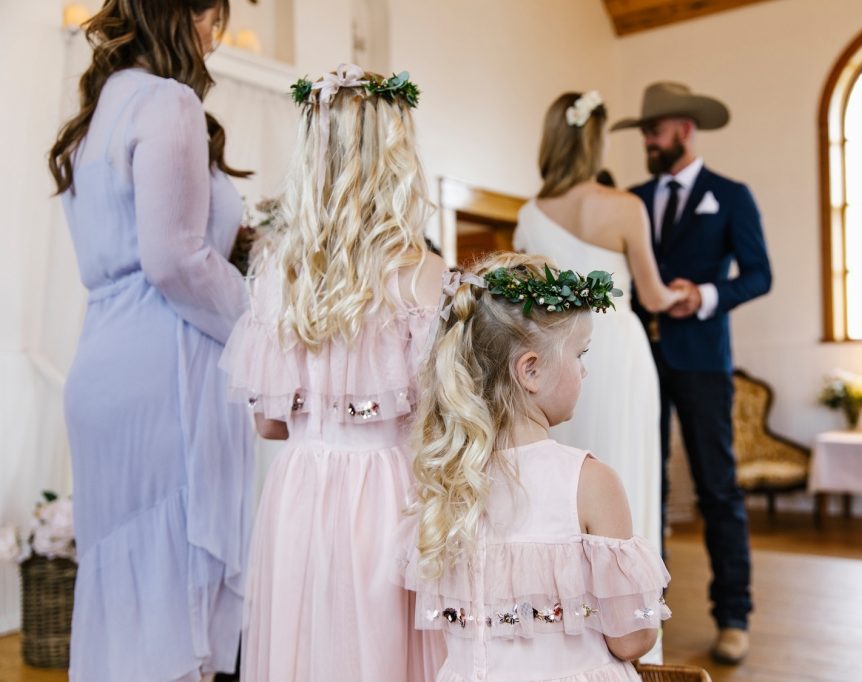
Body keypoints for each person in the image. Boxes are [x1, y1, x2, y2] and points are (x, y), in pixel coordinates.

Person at [48, 1, 254, 679]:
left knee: (126, 598)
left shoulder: (103, 107)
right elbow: (173, 260)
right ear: (181, 15)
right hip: (165, 368)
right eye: (210, 18)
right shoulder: (168, 102)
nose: (213, 39)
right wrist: (258, 325)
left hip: (104, 362)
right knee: (171, 600)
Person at [219, 63, 445, 681]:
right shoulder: (421, 270)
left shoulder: (275, 271)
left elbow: (269, 426)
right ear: (395, 151)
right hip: (387, 492)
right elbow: (437, 417)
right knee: (378, 653)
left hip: (298, 490)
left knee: (305, 648)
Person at [401, 252, 671, 682]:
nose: (585, 372)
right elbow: (632, 639)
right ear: (531, 370)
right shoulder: (589, 481)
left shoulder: (446, 480)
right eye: (580, 354)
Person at [612, 80, 773, 664]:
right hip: (642, 361)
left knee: (717, 488)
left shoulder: (731, 196)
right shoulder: (631, 197)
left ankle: (733, 614)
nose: (648, 143)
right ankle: (646, 608)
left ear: (683, 128)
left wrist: (703, 295)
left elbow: (759, 275)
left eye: (653, 132)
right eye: (644, 134)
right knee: (642, 482)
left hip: (704, 361)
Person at [513, 91, 684, 554]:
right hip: (621, 350)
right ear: (595, 143)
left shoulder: (530, 215)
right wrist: (682, 294)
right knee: (626, 466)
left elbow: (526, 300)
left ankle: (567, 597)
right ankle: (632, 598)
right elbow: (652, 294)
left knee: (564, 467)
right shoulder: (626, 206)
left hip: (560, 356)